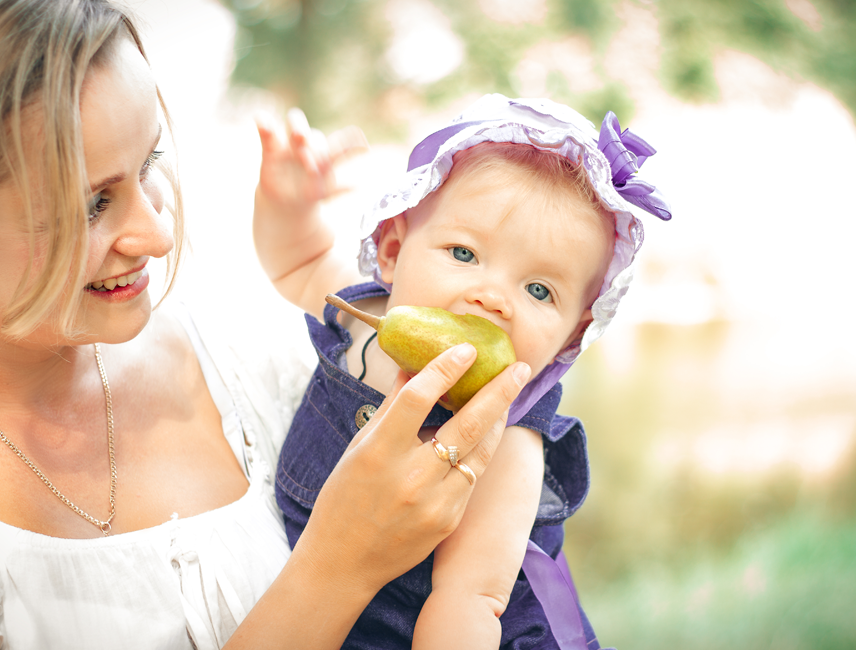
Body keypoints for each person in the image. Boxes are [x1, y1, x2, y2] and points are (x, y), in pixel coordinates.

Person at [0, 2, 530, 648]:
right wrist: (340, 564)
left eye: (150, 164)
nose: (159, 234)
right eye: (91, 204)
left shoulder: (248, 350)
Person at [253, 94, 672, 649]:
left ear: (572, 335)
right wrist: (289, 208)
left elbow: (470, 601)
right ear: (395, 251)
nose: (495, 298)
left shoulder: (506, 437)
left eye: (540, 290)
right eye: (465, 254)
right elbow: (300, 262)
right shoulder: (370, 317)